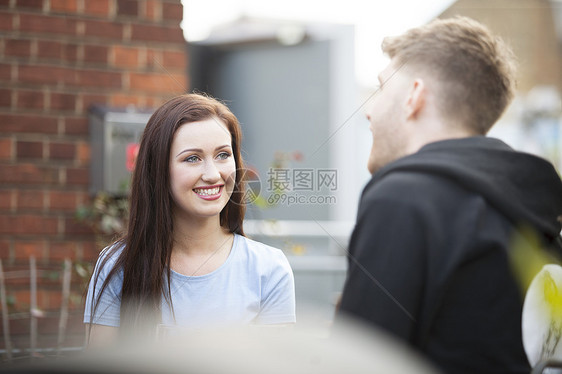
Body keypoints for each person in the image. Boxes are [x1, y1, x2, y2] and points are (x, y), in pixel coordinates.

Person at [337, 16, 562, 374]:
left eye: (381, 88)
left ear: (413, 95)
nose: (368, 109)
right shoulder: (535, 213)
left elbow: (358, 361)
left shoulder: (403, 198)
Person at [84, 93, 296, 344]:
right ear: (159, 170)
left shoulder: (268, 269)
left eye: (223, 155)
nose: (212, 174)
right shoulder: (117, 265)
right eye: (192, 158)